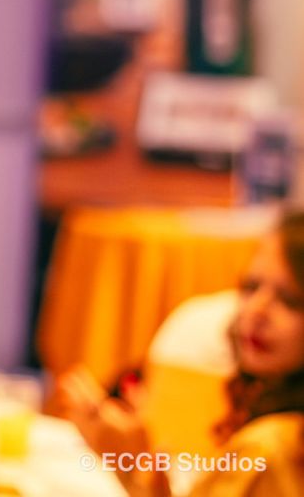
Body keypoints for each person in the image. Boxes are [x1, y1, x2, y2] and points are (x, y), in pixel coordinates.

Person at [59, 211, 304, 496]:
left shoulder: (271, 449)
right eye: (251, 287)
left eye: (289, 300)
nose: (256, 310)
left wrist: (134, 465)